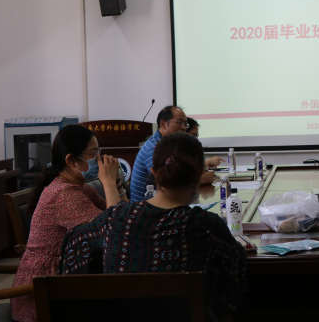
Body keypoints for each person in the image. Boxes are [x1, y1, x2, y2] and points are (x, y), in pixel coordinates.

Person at [60, 132, 247, 321]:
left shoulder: (114, 218)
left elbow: (74, 242)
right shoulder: (208, 227)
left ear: (153, 172)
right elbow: (232, 289)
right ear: (200, 173)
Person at [11, 125, 124, 322]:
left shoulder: (78, 187)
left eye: (98, 151)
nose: (99, 159)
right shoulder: (64, 195)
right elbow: (114, 230)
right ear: (71, 160)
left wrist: (118, 185)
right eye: (93, 153)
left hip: (65, 278)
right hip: (44, 293)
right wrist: (108, 182)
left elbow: (124, 217)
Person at [130, 106, 218, 202]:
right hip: (145, 206)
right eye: (179, 122)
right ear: (163, 124)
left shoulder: (167, 144)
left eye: (185, 124)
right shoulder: (154, 148)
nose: (184, 127)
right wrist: (201, 180)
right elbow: (166, 183)